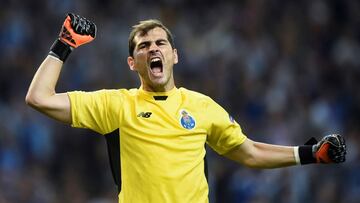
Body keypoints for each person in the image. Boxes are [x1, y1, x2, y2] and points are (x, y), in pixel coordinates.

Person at [26, 13, 346, 203]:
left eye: (160, 43)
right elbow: (39, 98)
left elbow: (248, 152)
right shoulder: (115, 105)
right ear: (131, 62)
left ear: (175, 55)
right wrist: (64, 44)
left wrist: (310, 154)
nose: (153, 48)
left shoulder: (202, 106)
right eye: (143, 46)